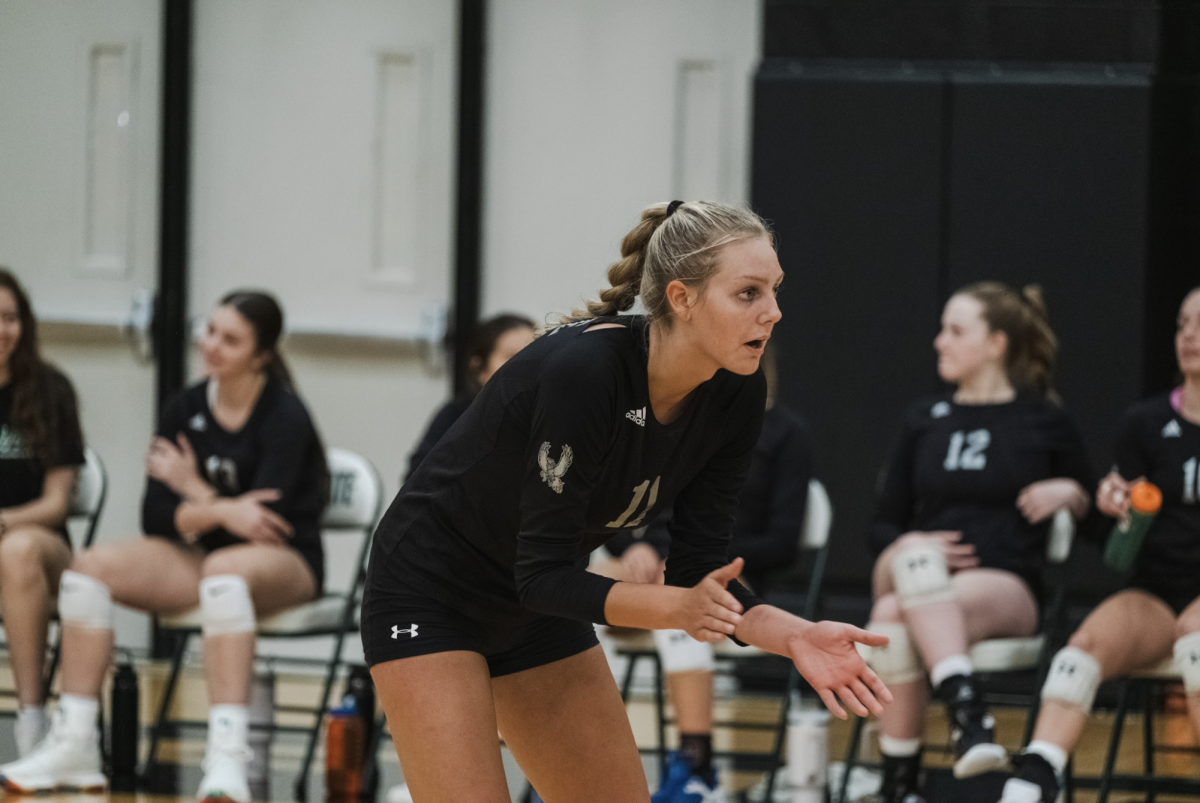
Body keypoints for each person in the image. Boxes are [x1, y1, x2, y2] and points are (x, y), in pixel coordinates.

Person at [362, 199, 890, 803]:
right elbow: (543, 577)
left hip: (535, 607)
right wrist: (675, 609)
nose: (773, 312)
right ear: (681, 297)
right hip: (431, 594)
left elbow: (700, 576)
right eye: (748, 293)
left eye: (775, 290)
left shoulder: (738, 395)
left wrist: (791, 635)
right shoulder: (587, 371)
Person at [0, 291, 328, 803]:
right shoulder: (184, 406)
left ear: (262, 354)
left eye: (231, 339)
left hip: (287, 562)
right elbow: (155, 515)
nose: (212, 346)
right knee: (89, 568)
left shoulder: (285, 414)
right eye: (210, 331)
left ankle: (227, 757)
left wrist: (194, 489)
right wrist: (220, 508)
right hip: (201, 554)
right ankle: (76, 741)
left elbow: (267, 522)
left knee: (225, 572)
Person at [862, 282, 1093, 803]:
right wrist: (913, 541)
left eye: (956, 331)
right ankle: (968, 715)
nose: (940, 341)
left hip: (1004, 587)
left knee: (892, 616)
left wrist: (1073, 493)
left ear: (997, 343)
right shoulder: (924, 419)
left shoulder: (1043, 419)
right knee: (914, 562)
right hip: (919, 573)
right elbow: (880, 526)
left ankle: (901, 784)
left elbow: (1102, 523)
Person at [996, 285, 1200, 803]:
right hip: (1156, 592)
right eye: (1182, 324)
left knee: (1198, 644)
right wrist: (1115, 506)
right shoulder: (1146, 423)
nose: (1190, 336)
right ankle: (1037, 780)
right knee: (1079, 656)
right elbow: (1114, 550)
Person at [595, 340, 813, 801]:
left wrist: (692, 557)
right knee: (571, 585)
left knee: (689, 589)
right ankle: (572, 755)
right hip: (654, 566)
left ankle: (697, 763)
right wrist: (633, 547)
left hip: (730, 571)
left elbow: (782, 543)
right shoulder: (672, 419)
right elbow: (626, 502)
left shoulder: (784, 431)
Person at [0, 269, 86, 757]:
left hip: (41, 547)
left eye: (10, 318)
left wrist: (5, 521)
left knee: (17, 550)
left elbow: (56, 504)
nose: (1, 330)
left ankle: (31, 717)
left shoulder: (49, 390)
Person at [405, 313, 536, 480]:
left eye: (533, 355)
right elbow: (417, 478)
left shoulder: (547, 412)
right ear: (480, 367)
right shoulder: (457, 414)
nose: (525, 365)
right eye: (512, 356)